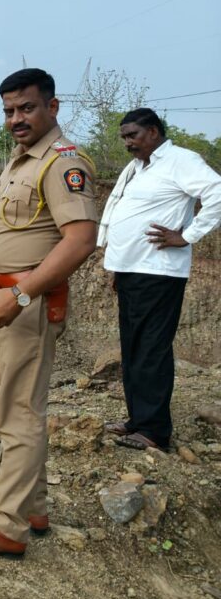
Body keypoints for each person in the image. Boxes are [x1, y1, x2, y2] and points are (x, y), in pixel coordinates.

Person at [0, 68, 98, 557]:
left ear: (52, 107)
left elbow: (81, 241)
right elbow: (0, 235)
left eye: (26, 108)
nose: (16, 118)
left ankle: (8, 528)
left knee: (21, 412)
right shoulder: (19, 162)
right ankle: (31, 504)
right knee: (11, 406)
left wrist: (21, 296)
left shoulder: (62, 162)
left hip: (25, 306)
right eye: (9, 110)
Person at [98, 107, 221, 451]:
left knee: (151, 349)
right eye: (124, 137)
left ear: (153, 132)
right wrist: (118, 266)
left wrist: (188, 234)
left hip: (159, 272)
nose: (127, 143)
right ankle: (138, 420)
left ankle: (154, 431)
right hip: (133, 270)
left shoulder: (181, 160)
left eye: (132, 136)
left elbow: (217, 193)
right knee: (133, 347)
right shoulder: (138, 167)